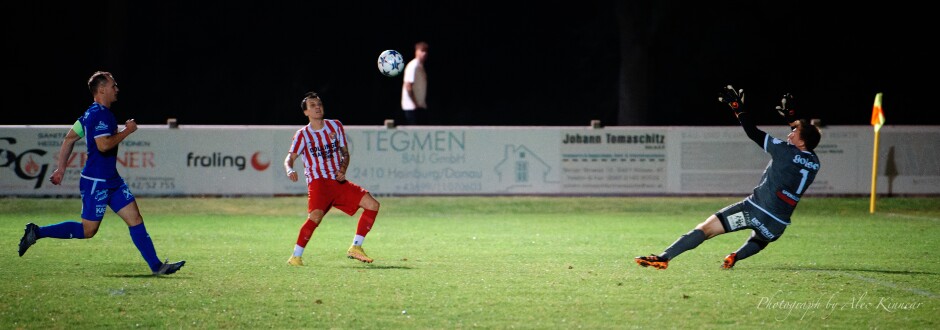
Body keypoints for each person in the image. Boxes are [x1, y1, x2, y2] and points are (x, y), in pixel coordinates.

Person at [635, 85, 821, 270]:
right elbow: (804, 141)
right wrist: (791, 119)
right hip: (777, 223)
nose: (790, 134)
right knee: (761, 239)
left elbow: (753, 132)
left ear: (802, 141)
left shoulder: (785, 151)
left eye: (794, 132)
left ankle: (664, 257)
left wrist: (737, 108)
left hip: (755, 209)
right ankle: (735, 256)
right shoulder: (814, 162)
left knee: (706, 229)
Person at [18, 71, 185, 275]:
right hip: (96, 182)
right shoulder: (100, 114)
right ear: (102, 89)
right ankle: (37, 232)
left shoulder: (90, 113)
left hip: (112, 180)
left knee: (135, 219)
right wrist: (127, 130)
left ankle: (157, 266)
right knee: (88, 230)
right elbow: (104, 145)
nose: (117, 89)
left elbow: (69, 138)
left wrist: (61, 169)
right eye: (113, 85)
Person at [285, 91, 381, 266]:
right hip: (319, 183)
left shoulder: (335, 126)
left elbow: (345, 153)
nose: (317, 107)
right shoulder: (302, 134)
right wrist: (289, 168)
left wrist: (343, 168)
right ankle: (296, 257)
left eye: (319, 104)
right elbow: (290, 158)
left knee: (372, 205)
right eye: (312, 105)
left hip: (338, 181)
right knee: (315, 218)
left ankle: (356, 247)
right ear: (306, 112)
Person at [401, 41, 429, 125]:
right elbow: (408, 85)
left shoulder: (421, 67)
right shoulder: (413, 66)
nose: (424, 53)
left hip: (419, 106)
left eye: (426, 51)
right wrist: (415, 103)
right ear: (416, 51)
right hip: (412, 107)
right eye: (422, 51)